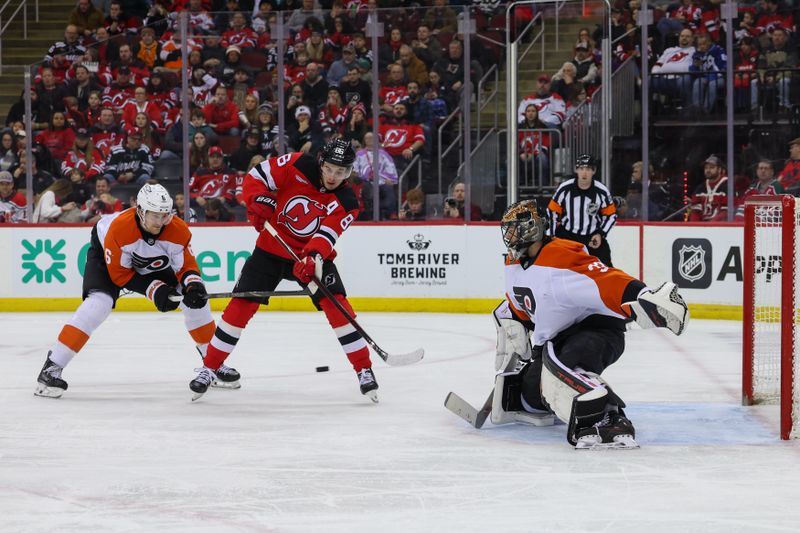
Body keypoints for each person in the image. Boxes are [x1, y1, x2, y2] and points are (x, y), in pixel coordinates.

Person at [189, 139, 379, 402]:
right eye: (330, 169)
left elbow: (327, 235)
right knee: (240, 306)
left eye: (342, 172)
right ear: (321, 162)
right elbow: (256, 177)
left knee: (338, 307)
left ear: (349, 173)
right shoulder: (297, 163)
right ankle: (209, 368)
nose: (334, 176)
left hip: (309, 258)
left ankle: (364, 369)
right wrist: (259, 200)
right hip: (269, 250)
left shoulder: (347, 201)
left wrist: (312, 257)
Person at [489, 199, 689, 448]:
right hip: (555, 340)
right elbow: (519, 305)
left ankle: (609, 415)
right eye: (507, 229)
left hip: (598, 330)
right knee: (532, 395)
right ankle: (573, 393)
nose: (509, 235)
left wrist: (642, 296)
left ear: (533, 227)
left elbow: (607, 279)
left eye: (514, 227)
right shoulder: (513, 264)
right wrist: (511, 323)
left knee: (566, 365)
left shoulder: (562, 256)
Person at [34, 184, 240, 399]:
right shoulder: (119, 229)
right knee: (99, 303)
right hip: (107, 258)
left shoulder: (177, 229)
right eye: (154, 216)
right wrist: (156, 290)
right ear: (141, 211)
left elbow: (186, 266)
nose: (160, 222)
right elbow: (120, 275)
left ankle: (213, 363)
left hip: (147, 259)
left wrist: (193, 285)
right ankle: (52, 367)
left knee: (196, 301)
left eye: (165, 216)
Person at [546, 154, 617, 265]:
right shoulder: (565, 188)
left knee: (606, 269)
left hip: (592, 237)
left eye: (588, 169)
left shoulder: (601, 191)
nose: (584, 173)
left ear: (594, 171)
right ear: (576, 170)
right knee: (554, 265)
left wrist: (600, 234)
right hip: (567, 236)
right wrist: (551, 235)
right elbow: (552, 211)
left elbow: (611, 215)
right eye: (581, 168)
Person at [688, 155, 731, 221]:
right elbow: (695, 212)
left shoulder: (728, 185)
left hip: (721, 227)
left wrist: (711, 225)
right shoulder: (700, 188)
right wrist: (695, 227)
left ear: (719, 170)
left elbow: (726, 212)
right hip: (704, 227)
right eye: (706, 168)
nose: (708, 170)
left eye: (711, 167)